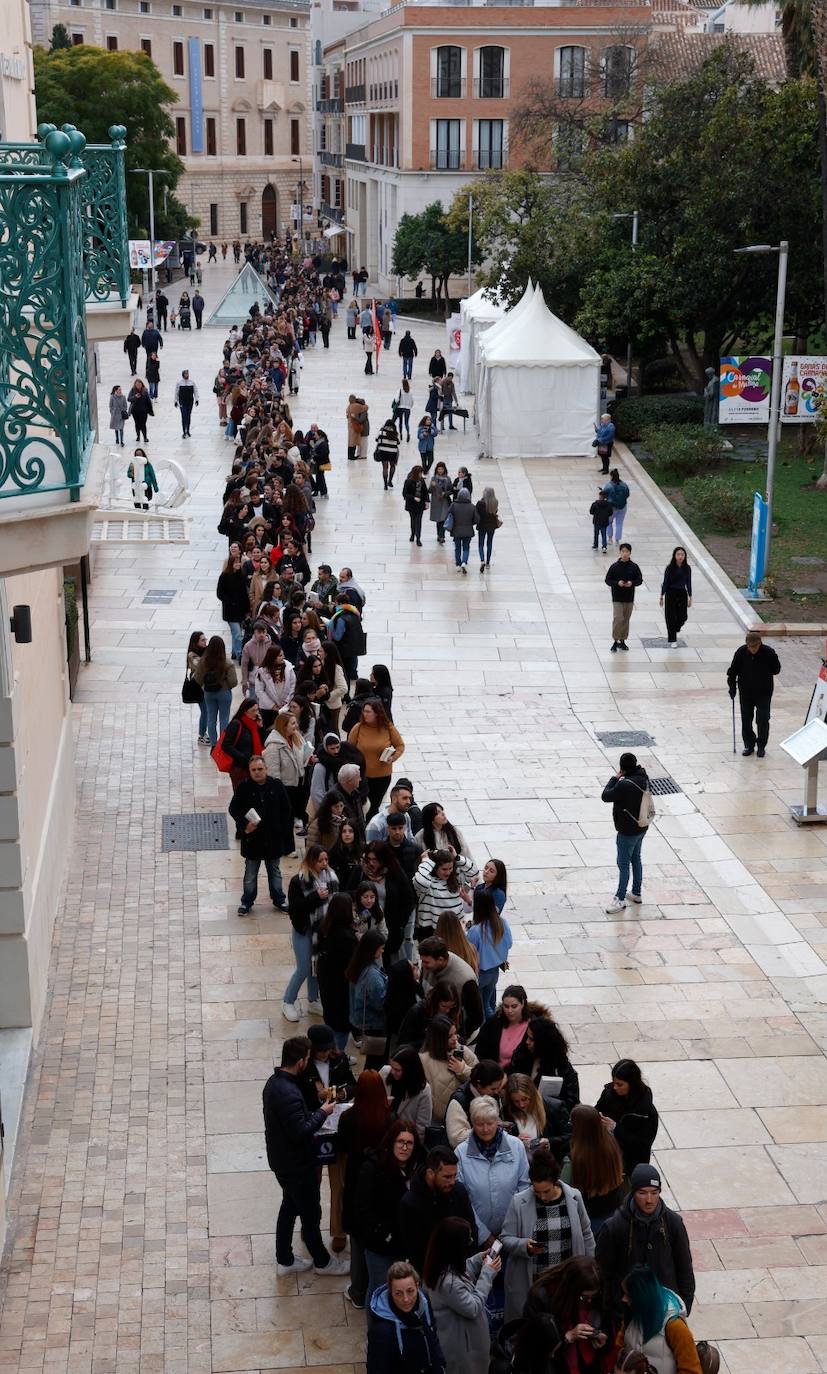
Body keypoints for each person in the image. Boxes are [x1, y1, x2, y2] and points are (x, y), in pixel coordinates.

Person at [262, 1036, 349, 1277]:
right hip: (297, 1165)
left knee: (289, 1207)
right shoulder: (288, 1092)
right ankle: (322, 1262)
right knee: (311, 1215)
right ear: (301, 1061)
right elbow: (300, 1131)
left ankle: (285, 1259)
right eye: (307, 1059)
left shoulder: (275, 1082)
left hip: (284, 1161)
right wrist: (322, 1112)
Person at [500, 1151, 595, 1323]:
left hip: (566, 1282)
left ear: (555, 1181)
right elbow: (506, 1238)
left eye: (546, 1191)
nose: (542, 1197)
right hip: (534, 1283)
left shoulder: (574, 1197)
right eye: (537, 1192)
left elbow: (586, 1233)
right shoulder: (518, 1202)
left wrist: (591, 1268)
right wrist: (523, 1246)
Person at [596, 1163, 695, 1320]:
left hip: (666, 1311)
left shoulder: (673, 1223)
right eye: (642, 1193)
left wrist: (684, 1306)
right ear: (633, 1192)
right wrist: (613, 1309)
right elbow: (603, 1273)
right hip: (627, 1312)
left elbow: (685, 1268)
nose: (649, 1200)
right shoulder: (614, 1227)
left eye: (654, 1193)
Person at [339, 1068, 393, 1308]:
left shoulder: (349, 1118)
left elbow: (341, 1145)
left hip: (355, 1178)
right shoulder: (389, 1117)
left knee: (358, 1239)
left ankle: (358, 1290)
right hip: (381, 1180)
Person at [356, 1119, 424, 1309]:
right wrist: (383, 1234)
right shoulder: (372, 1168)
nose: (404, 1147)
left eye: (409, 1143)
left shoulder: (419, 1168)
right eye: (400, 1142)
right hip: (381, 1247)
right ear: (391, 1142)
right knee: (380, 1291)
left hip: (409, 1245)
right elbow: (362, 1208)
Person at [423, 1217, 499, 1374]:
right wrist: (487, 1273)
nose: (471, 1241)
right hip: (463, 1352)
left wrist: (479, 1259)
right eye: (468, 1239)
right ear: (456, 1246)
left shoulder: (441, 1265)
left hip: (466, 1344)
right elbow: (473, 1307)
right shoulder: (448, 1283)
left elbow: (462, 1270)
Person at [455, 1095, 529, 1246]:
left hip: (513, 1232)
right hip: (476, 1237)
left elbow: (524, 1187)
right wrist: (484, 1235)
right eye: (479, 1124)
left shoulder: (516, 1146)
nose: (485, 1129)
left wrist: (512, 1228)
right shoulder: (461, 1153)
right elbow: (462, 1199)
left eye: (490, 1123)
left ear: (498, 1121)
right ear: (472, 1124)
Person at [522, 1257, 614, 1374]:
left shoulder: (596, 1295)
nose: (588, 1302)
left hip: (590, 1365)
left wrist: (603, 1341)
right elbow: (532, 1344)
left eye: (592, 1297)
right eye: (584, 1297)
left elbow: (607, 1327)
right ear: (571, 1289)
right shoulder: (542, 1297)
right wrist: (567, 1337)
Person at [398, 1145, 479, 1275]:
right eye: (447, 1177)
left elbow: (472, 1230)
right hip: (430, 1275)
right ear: (431, 1173)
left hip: (462, 1269)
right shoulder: (410, 1203)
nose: (452, 1182)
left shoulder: (458, 1191)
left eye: (454, 1176)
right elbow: (415, 1250)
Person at [228, 755, 293, 915]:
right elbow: (233, 809)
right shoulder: (244, 787)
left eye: (260, 769)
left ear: (266, 769)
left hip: (273, 839)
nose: (257, 772)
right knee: (250, 873)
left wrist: (283, 832)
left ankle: (279, 899)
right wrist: (244, 825)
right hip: (253, 840)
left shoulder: (276, 785)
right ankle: (247, 901)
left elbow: (286, 810)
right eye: (253, 770)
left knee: (275, 872)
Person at [284, 844, 338, 1022]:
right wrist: (316, 897)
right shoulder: (298, 881)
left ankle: (313, 1000)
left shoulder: (331, 877)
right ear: (311, 861)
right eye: (320, 860)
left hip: (323, 930)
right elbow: (295, 909)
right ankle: (288, 1001)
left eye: (326, 860)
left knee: (318, 965)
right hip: (304, 930)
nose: (324, 864)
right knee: (304, 968)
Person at [617, 1265, 703, 1374]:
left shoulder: (675, 1326)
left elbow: (692, 1370)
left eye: (628, 1295)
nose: (623, 1299)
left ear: (641, 1298)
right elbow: (619, 1348)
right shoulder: (631, 1315)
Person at [367, 1261, 445, 1374]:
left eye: (410, 1291)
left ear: (417, 1286)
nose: (406, 1299)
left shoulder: (424, 1301)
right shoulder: (381, 1331)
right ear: (390, 1291)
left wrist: (440, 1364)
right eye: (398, 1293)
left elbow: (432, 1335)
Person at [559, 1105, 626, 1235]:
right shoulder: (611, 1144)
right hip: (613, 1210)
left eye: (571, 1122)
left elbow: (564, 1189)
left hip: (589, 1217)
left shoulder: (575, 1158)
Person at [601, 751, 651, 913]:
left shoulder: (624, 784)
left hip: (627, 831)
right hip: (642, 825)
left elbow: (606, 796)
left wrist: (615, 778)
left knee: (623, 864)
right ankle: (636, 893)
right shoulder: (643, 777)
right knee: (636, 858)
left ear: (622, 767)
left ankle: (620, 898)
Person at [595, 1059, 659, 1177]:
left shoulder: (646, 1112)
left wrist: (615, 1128)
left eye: (620, 1084)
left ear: (632, 1084)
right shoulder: (609, 1093)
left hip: (628, 1163)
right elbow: (597, 1109)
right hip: (605, 1152)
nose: (615, 1087)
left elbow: (642, 1145)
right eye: (614, 1082)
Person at [726, 629, 781, 758]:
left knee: (763, 718)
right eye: (750, 647)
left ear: (760, 643)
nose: (752, 649)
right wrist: (732, 686)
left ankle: (761, 746)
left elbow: (776, 669)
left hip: (764, 692)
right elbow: (732, 672)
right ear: (746, 645)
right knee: (746, 719)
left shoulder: (769, 652)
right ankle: (749, 745)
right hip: (746, 692)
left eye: (755, 646)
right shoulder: (740, 652)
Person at [348, 699, 405, 818]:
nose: (365, 714)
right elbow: (349, 749)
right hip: (362, 775)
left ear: (377, 713)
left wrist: (393, 757)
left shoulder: (388, 728)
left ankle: (370, 827)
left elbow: (400, 745)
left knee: (374, 806)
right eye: (364, 711)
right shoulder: (358, 728)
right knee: (362, 804)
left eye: (369, 712)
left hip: (382, 775)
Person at [316, 893, 358, 1051]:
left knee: (331, 1020)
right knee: (341, 1027)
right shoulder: (347, 937)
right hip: (341, 988)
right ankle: (337, 1056)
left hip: (327, 982)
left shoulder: (325, 928)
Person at [501, 1074, 571, 1165]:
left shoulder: (554, 1107)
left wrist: (549, 1142)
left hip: (549, 1165)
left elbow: (569, 1136)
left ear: (532, 1094)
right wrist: (515, 1140)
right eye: (516, 1101)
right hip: (522, 1164)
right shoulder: (507, 1110)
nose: (521, 1105)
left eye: (524, 1099)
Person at [474, 985, 547, 1072]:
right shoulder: (493, 1023)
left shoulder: (534, 1026)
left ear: (523, 1003)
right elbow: (480, 1051)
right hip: (494, 1076)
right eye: (506, 1006)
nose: (509, 1011)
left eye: (514, 1006)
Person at [420, 1015, 477, 1124]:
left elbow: (483, 1079)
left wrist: (463, 1070)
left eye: (455, 1033)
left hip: (466, 1117)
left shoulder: (463, 1051)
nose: (455, 1038)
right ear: (439, 1039)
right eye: (450, 1036)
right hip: (438, 1121)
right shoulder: (423, 1061)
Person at [420, 936, 483, 1036]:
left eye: (426, 962)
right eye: (422, 961)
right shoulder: (429, 965)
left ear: (440, 959)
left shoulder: (465, 979)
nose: (422, 965)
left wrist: (459, 1037)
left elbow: (476, 1017)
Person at [516, 1017, 580, 1113]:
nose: (527, 1042)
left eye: (531, 1039)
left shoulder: (562, 1068)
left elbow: (570, 1101)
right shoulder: (522, 1054)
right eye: (527, 1037)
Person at [467, 889, 512, 1019]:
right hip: (494, 972)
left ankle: (485, 1033)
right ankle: (493, 1029)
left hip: (480, 974)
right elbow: (509, 943)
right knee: (487, 1005)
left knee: (479, 1008)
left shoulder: (475, 931)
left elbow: (470, 952)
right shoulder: (502, 922)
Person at [263, 712, 313, 831]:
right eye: (293, 723)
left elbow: (301, 757)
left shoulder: (297, 737)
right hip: (285, 788)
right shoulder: (273, 746)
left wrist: (310, 759)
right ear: (284, 726)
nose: (296, 726)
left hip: (299, 784)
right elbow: (273, 773)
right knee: (285, 821)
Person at [347, 928, 388, 1067]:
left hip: (361, 1020)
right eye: (381, 948)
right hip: (374, 1023)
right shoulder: (373, 976)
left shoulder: (357, 964)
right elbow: (380, 1004)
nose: (383, 951)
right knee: (376, 1060)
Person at [413, 852, 478, 938]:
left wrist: (457, 857)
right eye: (444, 869)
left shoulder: (456, 878)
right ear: (435, 867)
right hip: (431, 930)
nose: (448, 872)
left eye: (450, 868)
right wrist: (427, 860)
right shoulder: (428, 883)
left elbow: (474, 873)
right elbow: (421, 880)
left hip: (455, 928)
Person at [445, 1061, 507, 1148]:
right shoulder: (458, 1101)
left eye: (498, 1087)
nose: (497, 1092)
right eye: (492, 1089)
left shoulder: (494, 1096)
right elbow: (456, 1139)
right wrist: (488, 1129)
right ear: (479, 1084)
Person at [192, 634, 237, 745]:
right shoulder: (227, 663)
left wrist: (204, 686)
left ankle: (213, 744)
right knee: (224, 719)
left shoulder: (203, 662)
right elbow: (233, 682)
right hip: (224, 693)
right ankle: (223, 744)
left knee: (211, 719)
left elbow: (197, 679)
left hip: (208, 693)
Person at [381, 1046, 433, 1139]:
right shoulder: (385, 1072)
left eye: (397, 1070)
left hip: (403, 1139)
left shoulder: (423, 1091)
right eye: (391, 1067)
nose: (392, 1072)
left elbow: (421, 1128)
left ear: (409, 1070)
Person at [605, 543, 642, 653]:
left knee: (626, 619)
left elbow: (639, 580)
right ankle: (615, 640)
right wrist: (617, 583)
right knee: (618, 618)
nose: (625, 553)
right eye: (623, 551)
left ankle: (623, 640)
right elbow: (607, 580)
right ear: (620, 552)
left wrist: (632, 583)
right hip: (617, 597)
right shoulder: (614, 567)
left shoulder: (634, 567)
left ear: (630, 553)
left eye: (627, 551)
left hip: (629, 597)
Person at [222, 698, 265, 791]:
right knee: (241, 797)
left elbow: (263, 742)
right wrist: (242, 757)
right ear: (245, 711)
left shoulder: (255, 725)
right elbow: (225, 745)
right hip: (240, 768)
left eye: (257, 710)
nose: (256, 713)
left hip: (254, 767)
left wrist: (261, 727)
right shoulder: (236, 724)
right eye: (253, 710)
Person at [216, 553, 249, 661]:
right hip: (230, 610)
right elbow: (220, 593)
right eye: (235, 562)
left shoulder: (241, 575)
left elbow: (245, 594)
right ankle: (240, 655)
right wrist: (230, 602)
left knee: (236, 633)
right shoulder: (224, 576)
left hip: (240, 610)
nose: (238, 564)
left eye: (239, 562)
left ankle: (234, 652)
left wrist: (247, 609)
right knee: (238, 633)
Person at [660, 547, 693, 647]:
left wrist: (690, 596)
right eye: (678, 554)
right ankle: (673, 639)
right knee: (670, 617)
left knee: (683, 616)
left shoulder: (687, 568)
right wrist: (661, 595)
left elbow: (688, 583)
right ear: (674, 556)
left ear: (685, 556)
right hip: (670, 593)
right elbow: (665, 582)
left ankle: (676, 628)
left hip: (682, 593)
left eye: (682, 554)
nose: (680, 556)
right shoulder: (669, 568)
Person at [447, 487, 476, 575]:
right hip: (468, 531)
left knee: (457, 548)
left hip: (456, 530)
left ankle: (458, 564)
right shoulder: (472, 507)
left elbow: (448, 514)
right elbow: (477, 520)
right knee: (466, 547)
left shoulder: (453, 505)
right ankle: (464, 562)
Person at [402, 464, 429, 546]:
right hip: (411, 504)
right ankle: (413, 533)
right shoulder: (408, 481)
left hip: (420, 505)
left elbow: (425, 492)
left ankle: (418, 538)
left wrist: (427, 501)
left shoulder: (422, 481)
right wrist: (413, 497)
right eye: (420, 473)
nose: (421, 475)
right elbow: (405, 494)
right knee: (413, 521)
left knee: (418, 521)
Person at [602, 468, 630, 544]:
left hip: (612, 507)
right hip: (623, 506)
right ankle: (617, 540)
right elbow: (627, 494)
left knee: (609, 522)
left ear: (611, 476)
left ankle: (610, 539)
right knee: (619, 523)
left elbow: (603, 494)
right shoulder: (624, 485)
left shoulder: (608, 485)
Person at [475, 487, 499, 572]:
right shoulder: (495, 502)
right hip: (491, 526)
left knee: (481, 544)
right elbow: (495, 512)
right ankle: (488, 562)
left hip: (482, 525)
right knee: (489, 543)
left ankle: (482, 560)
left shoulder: (480, 503)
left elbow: (476, 512)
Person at [427, 462, 452, 544]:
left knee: (443, 519)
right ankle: (439, 535)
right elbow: (430, 490)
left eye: (442, 469)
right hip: (436, 502)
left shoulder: (448, 479)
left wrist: (446, 493)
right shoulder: (434, 478)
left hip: (444, 501)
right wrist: (432, 485)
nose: (440, 470)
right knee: (438, 520)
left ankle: (442, 536)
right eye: (439, 469)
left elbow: (450, 490)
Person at [375, 417, 401, 490]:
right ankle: (390, 481)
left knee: (385, 468)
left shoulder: (381, 431)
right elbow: (398, 442)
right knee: (392, 466)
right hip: (393, 452)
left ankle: (385, 484)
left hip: (383, 452)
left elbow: (376, 439)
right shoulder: (395, 433)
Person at [174, 370, 199, 437]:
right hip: (182, 401)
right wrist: (175, 401)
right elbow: (176, 392)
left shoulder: (192, 382)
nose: (187, 375)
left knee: (188, 416)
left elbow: (195, 391)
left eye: (187, 374)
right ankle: (184, 431)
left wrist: (197, 399)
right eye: (185, 374)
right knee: (184, 416)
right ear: (183, 375)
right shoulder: (179, 383)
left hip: (190, 401)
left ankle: (187, 430)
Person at [590, 488, 614, 553]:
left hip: (596, 521)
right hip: (604, 522)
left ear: (600, 496)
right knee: (604, 535)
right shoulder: (609, 504)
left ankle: (595, 546)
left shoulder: (595, 504)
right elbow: (610, 513)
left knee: (596, 534)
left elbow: (591, 512)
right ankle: (604, 547)